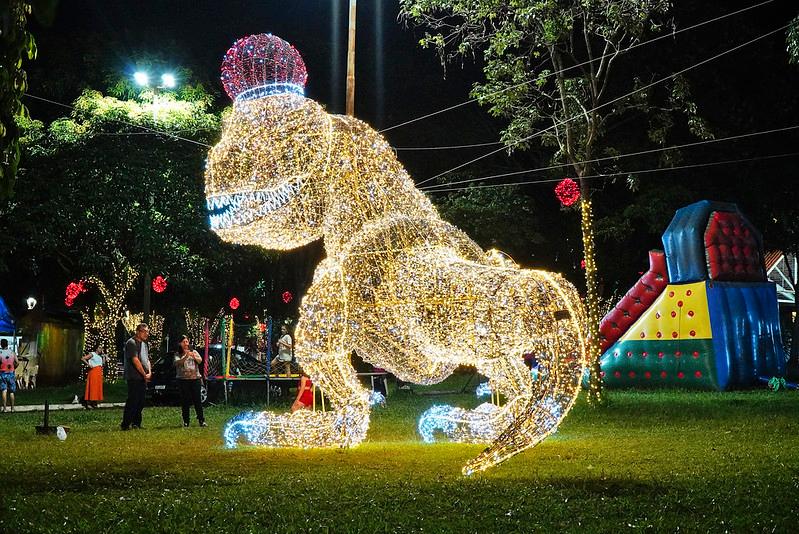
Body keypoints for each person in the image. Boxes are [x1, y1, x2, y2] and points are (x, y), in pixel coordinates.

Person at [121, 323, 151, 430]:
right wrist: (144, 374)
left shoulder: (144, 345)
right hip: (134, 376)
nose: (146, 334)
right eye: (144, 331)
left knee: (141, 401)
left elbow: (147, 360)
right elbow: (135, 360)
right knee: (133, 400)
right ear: (138, 332)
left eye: (147, 331)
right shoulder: (131, 343)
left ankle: (136, 423)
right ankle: (126, 423)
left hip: (142, 377)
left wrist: (149, 373)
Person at [174, 335, 206, 427]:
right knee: (185, 401)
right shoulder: (177, 354)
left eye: (187, 342)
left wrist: (194, 356)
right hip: (183, 380)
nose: (186, 344)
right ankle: (186, 421)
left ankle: (201, 420)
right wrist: (186, 356)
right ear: (180, 343)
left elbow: (200, 361)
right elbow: (177, 363)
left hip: (195, 379)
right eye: (184, 342)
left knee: (197, 400)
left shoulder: (194, 351)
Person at [81, 344, 106, 409]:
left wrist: (103, 357)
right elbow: (83, 358)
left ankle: (94, 402)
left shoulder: (100, 357)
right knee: (92, 386)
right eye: (99, 348)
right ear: (96, 348)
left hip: (99, 372)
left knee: (97, 387)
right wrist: (89, 365)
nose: (101, 349)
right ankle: (89, 402)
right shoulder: (92, 354)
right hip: (93, 372)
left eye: (101, 348)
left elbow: (102, 364)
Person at [0, 339, 19, 413]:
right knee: (11, 391)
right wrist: (14, 368)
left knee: (4, 390)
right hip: (11, 373)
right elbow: (17, 362)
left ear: (1, 344)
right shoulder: (12, 352)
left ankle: (4, 408)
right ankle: (12, 408)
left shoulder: (0, 353)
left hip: (2, 373)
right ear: (7, 344)